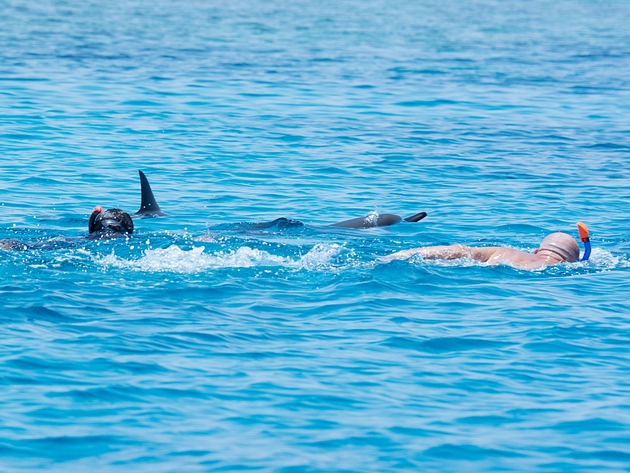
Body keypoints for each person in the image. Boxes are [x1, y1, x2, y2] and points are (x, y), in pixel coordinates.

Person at [380, 232, 581, 270]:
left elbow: (460, 251)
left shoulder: (507, 252)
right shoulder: (562, 270)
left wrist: (402, 255)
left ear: (537, 250)